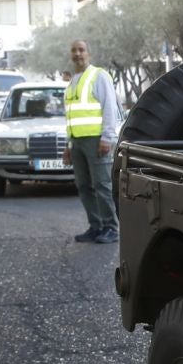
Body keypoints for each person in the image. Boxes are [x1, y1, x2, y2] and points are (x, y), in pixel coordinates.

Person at [65, 39, 121, 245]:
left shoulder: (99, 76)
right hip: (77, 142)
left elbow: (109, 108)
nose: (78, 54)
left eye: (81, 50)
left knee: (102, 185)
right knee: (84, 186)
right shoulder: (73, 81)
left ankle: (110, 228)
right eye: (74, 50)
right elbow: (70, 115)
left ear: (89, 53)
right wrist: (68, 144)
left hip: (97, 140)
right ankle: (96, 226)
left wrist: (107, 137)